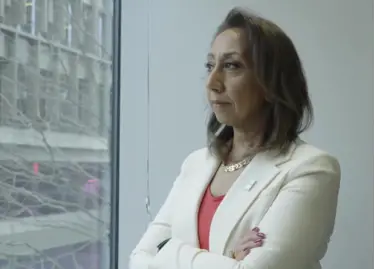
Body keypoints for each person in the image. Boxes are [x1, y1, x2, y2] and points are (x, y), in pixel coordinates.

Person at [129, 7, 341, 269]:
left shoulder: (311, 169)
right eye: (210, 65)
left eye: (231, 66)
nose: (212, 82)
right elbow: (139, 260)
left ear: (271, 83)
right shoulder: (196, 163)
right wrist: (228, 259)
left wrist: (168, 251)